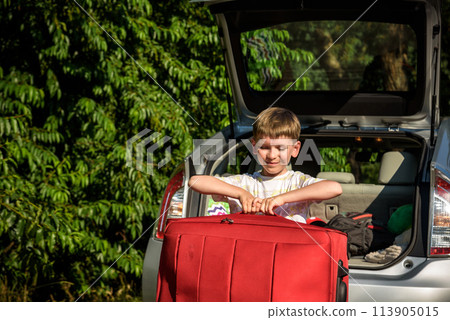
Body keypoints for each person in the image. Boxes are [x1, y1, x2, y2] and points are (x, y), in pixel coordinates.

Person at [188, 107, 342, 223]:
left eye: (280, 148)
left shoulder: (297, 183)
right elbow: (194, 181)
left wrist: (281, 199)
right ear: (254, 146)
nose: (272, 155)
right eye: (264, 147)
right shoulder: (245, 183)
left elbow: (335, 188)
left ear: (295, 149)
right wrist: (241, 194)